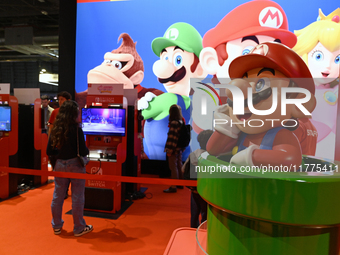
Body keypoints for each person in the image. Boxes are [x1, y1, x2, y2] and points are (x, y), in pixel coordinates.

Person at [292, 8, 340, 159]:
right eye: (318, 56)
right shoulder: (292, 90)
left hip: (330, 153)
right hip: (300, 149)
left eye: (337, 59)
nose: (327, 67)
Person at [46, 100, 93, 237]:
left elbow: (49, 150)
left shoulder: (56, 129)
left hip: (60, 165)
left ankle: (56, 226)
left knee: (58, 196)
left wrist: (59, 157)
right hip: (76, 165)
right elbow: (83, 151)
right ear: (74, 113)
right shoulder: (77, 129)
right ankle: (78, 227)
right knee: (77, 196)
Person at [182, 129, 213, 228]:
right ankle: (203, 232)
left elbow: (183, 169)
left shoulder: (194, 154)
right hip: (206, 191)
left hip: (194, 190)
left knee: (194, 214)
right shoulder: (211, 157)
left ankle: (193, 230)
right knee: (205, 214)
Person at [164, 104, 185, 193]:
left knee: (173, 167)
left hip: (173, 149)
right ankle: (180, 183)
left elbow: (172, 138)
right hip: (179, 148)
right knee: (179, 165)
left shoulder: (174, 123)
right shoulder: (180, 122)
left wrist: (169, 150)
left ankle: (173, 186)